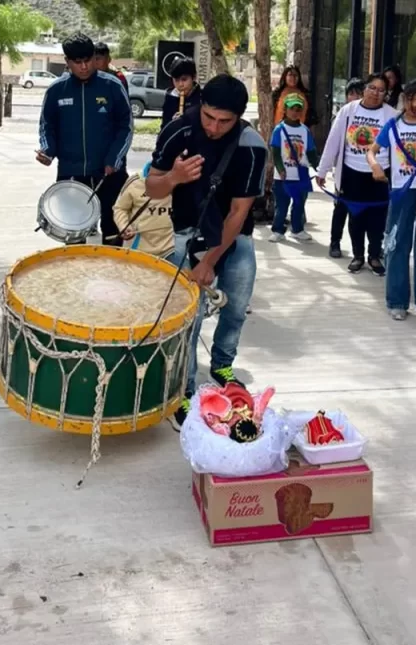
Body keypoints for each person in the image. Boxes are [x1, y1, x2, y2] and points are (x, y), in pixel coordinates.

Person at [145, 74, 267, 428]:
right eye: (209, 117)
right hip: (187, 233)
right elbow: (152, 189)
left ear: (240, 116)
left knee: (237, 308)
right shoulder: (178, 130)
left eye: (224, 121)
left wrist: (210, 261)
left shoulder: (251, 145)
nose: (214, 127)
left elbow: (238, 212)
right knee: (189, 318)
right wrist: (174, 178)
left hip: (234, 237)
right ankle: (182, 389)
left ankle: (222, 365)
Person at [38, 34, 133, 247]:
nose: (83, 67)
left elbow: (126, 127)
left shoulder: (113, 86)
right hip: (71, 174)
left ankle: (110, 275)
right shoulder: (56, 90)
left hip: (109, 172)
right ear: (67, 62)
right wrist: (48, 150)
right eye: (77, 62)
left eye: (88, 60)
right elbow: (47, 126)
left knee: (111, 231)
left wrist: (114, 159)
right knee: (73, 234)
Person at [368, 78, 416, 321]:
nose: (414, 105)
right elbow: (372, 150)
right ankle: (397, 300)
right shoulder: (392, 125)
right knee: (396, 244)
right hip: (401, 192)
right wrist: (375, 166)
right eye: (409, 99)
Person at [316, 73, 397, 275]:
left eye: (381, 90)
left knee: (378, 217)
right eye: (372, 88)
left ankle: (375, 255)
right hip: (352, 172)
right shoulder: (348, 111)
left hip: (380, 174)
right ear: (364, 89)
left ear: (386, 94)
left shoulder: (392, 115)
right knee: (355, 216)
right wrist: (322, 169)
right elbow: (333, 141)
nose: (375, 93)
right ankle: (358, 255)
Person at [269, 93, 318, 243]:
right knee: (281, 205)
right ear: (285, 110)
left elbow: (310, 151)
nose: (295, 112)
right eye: (292, 108)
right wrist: (280, 168)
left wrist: (317, 167)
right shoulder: (279, 129)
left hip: (300, 174)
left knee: (299, 204)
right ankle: (278, 230)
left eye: (298, 109)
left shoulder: (305, 130)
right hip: (283, 176)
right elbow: (276, 151)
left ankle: (297, 229)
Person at [328, 78, 365, 259]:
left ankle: (362, 248)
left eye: (358, 93)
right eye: (351, 93)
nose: (354, 97)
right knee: (340, 208)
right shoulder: (343, 115)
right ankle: (335, 242)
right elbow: (332, 144)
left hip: (362, 172)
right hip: (343, 172)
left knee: (359, 213)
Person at [112, 162, 174, 257]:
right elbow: (120, 208)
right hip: (139, 249)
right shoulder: (135, 181)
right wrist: (124, 226)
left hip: (172, 249)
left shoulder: (188, 183)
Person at [161, 57, 202, 130]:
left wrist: (186, 119)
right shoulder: (170, 98)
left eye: (184, 79)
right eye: (176, 80)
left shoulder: (202, 97)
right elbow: (164, 128)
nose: (180, 84)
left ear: (194, 77)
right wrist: (172, 124)